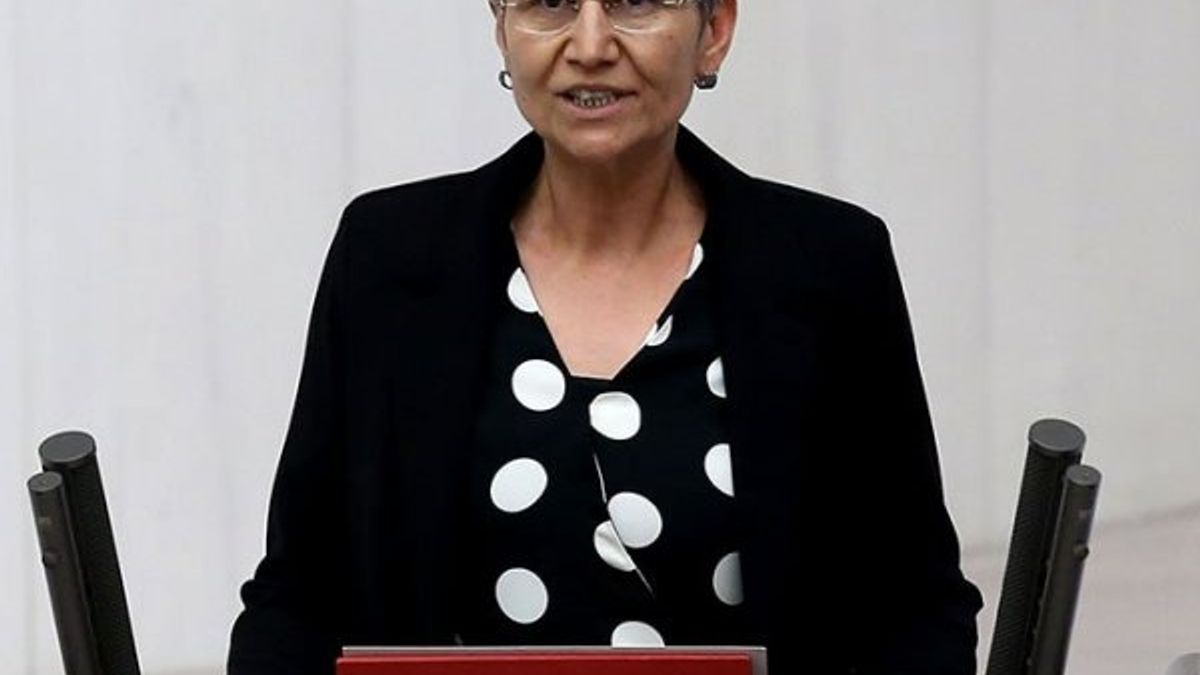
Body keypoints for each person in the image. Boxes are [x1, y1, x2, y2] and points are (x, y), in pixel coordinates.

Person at [228, 1, 983, 673]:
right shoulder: (389, 258)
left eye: (635, 2)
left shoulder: (830, 268)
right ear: (501, 27)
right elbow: (298, 599)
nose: (589, 45)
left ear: (714, 30)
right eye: (549, 3)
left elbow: (915, 609)